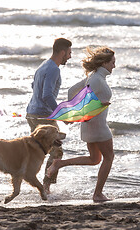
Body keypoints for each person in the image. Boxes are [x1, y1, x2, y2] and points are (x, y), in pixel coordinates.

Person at [46, 46, 115, 202]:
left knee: (95, 159)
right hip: (98, 126)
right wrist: (98, 105)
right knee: (109, 158)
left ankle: (59, 163)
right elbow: (84, 101)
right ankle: (98, 194)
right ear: (104, 63)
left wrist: (79, 112)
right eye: (112, 62)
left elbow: (72, 91)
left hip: (89, 126)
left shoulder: (94, 76)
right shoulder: (97, 79)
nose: (114, 66)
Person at [26, 38, 72, 194]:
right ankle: (46, 187)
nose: (70, 57)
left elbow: (34, 87)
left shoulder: (43, 65)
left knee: (37, 150)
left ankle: (27, 177)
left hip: (31, 113)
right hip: (44, 115)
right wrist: (61, 114)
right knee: (56, 151)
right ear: (62, 52)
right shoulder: (54, 69)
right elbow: (47, 95)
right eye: (69, 53)